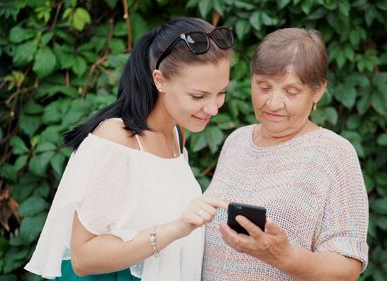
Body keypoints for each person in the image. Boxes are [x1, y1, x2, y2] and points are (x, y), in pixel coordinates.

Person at [24, 17, 234, 281]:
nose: (213, 108)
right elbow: (83, 258)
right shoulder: (115, 140)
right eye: (198, 96)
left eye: (221, 93)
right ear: (160, 80)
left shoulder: (176, 133)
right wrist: (174, 229)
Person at [202, 28, 369, 280]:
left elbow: (348, 269)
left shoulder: (334, 153)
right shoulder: (236, 140)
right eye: (264, 86)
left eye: (291, 91)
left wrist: (283, 256)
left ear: (318, 90)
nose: (273, 103)